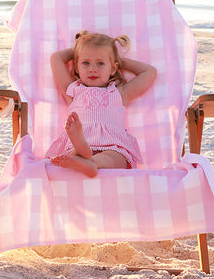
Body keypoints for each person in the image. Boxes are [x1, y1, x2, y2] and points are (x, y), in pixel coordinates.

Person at [45, 31, 157, 178]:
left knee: (116, 157)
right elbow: (56, 58)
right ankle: (82, 151)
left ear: (113, 68)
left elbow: (149, 72)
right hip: (81, 140)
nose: (92, 69)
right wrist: (79, 49)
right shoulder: (73, 91)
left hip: (113, 145)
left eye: (100, 63)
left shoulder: (120, 93)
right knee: (72, 155)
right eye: (85, 62)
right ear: (77, 68)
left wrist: (118, 59)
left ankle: (90, 161)